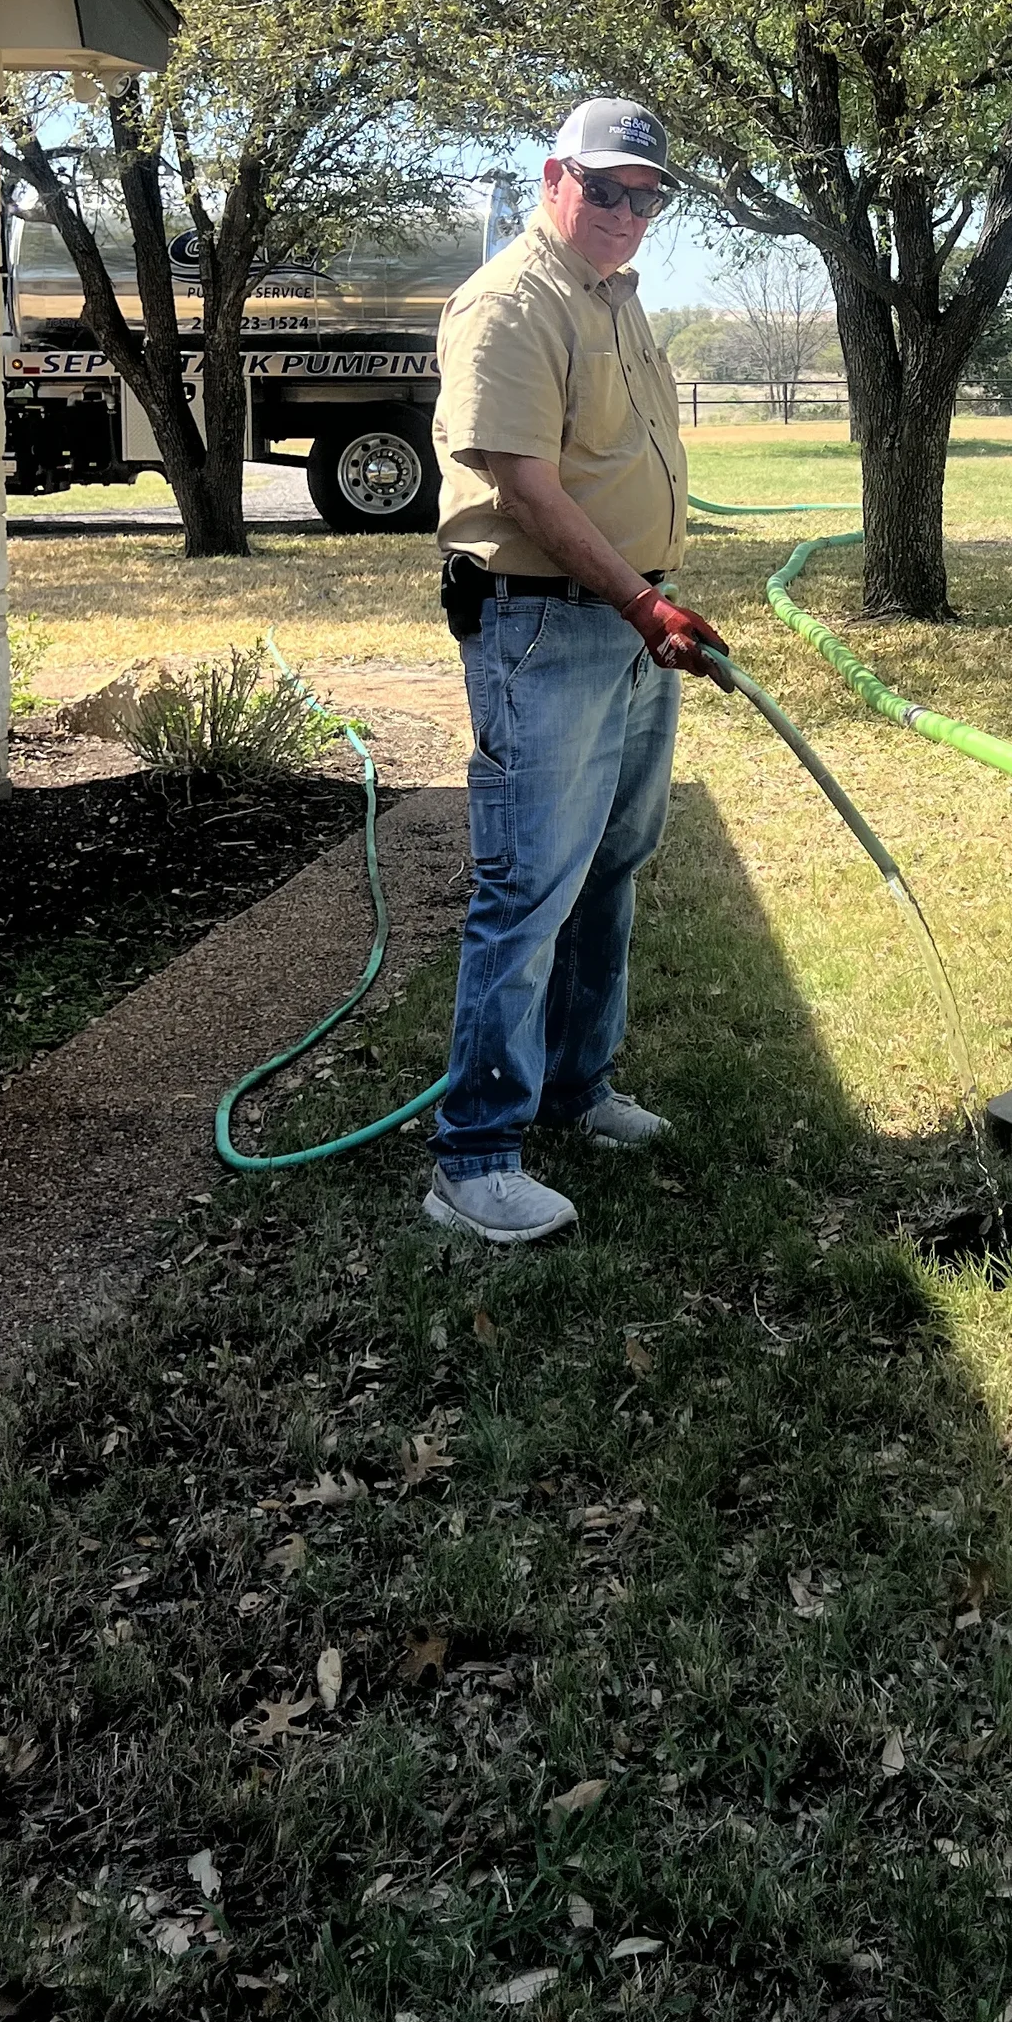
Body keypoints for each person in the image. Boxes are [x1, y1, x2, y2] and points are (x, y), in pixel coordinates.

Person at [423, 97, 728, 1246]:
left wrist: (649, 604)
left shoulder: (615, 294)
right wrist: (643, 601)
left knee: (611, 867)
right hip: (549, 628)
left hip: (629, 625)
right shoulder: (511, 301)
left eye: (648, 196)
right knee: (528, 889)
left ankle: (574, 1090)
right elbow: (523, 487)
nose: (627, 212)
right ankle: (474, 1156)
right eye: (607, 188)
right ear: (556, 178)